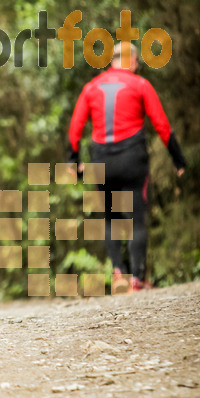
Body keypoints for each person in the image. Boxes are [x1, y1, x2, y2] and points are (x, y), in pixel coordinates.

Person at [67, 42, 186, 292]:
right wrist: (177, 159)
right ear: (131, 61)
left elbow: (75, 128)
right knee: (136, 219)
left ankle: (119, 273)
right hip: (132, 158)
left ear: (111, 61)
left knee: (110, 217)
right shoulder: (140, 84)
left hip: (101, 159)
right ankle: (137, 279)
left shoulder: (91, 88)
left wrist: (73, 160)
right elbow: (161, 124)